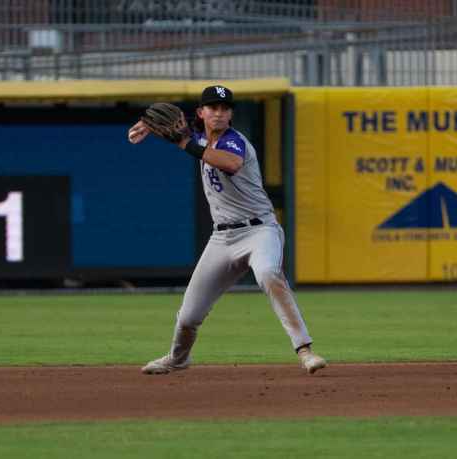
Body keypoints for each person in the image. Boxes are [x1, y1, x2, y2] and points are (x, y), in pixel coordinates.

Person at [127, 85, 326, 375]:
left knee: (269, 273)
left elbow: (228, 163)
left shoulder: (234, 142)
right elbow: (175, 128)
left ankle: (305, 350)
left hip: (260, 231)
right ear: (201, 113)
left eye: (224, 108)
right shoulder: (197, 137)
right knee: (189, 315)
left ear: (231, 114)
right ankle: (178, 358)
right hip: (222, 238)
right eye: (212, 108)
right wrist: (147, 124)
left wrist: (185, 144)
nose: (219, 113)